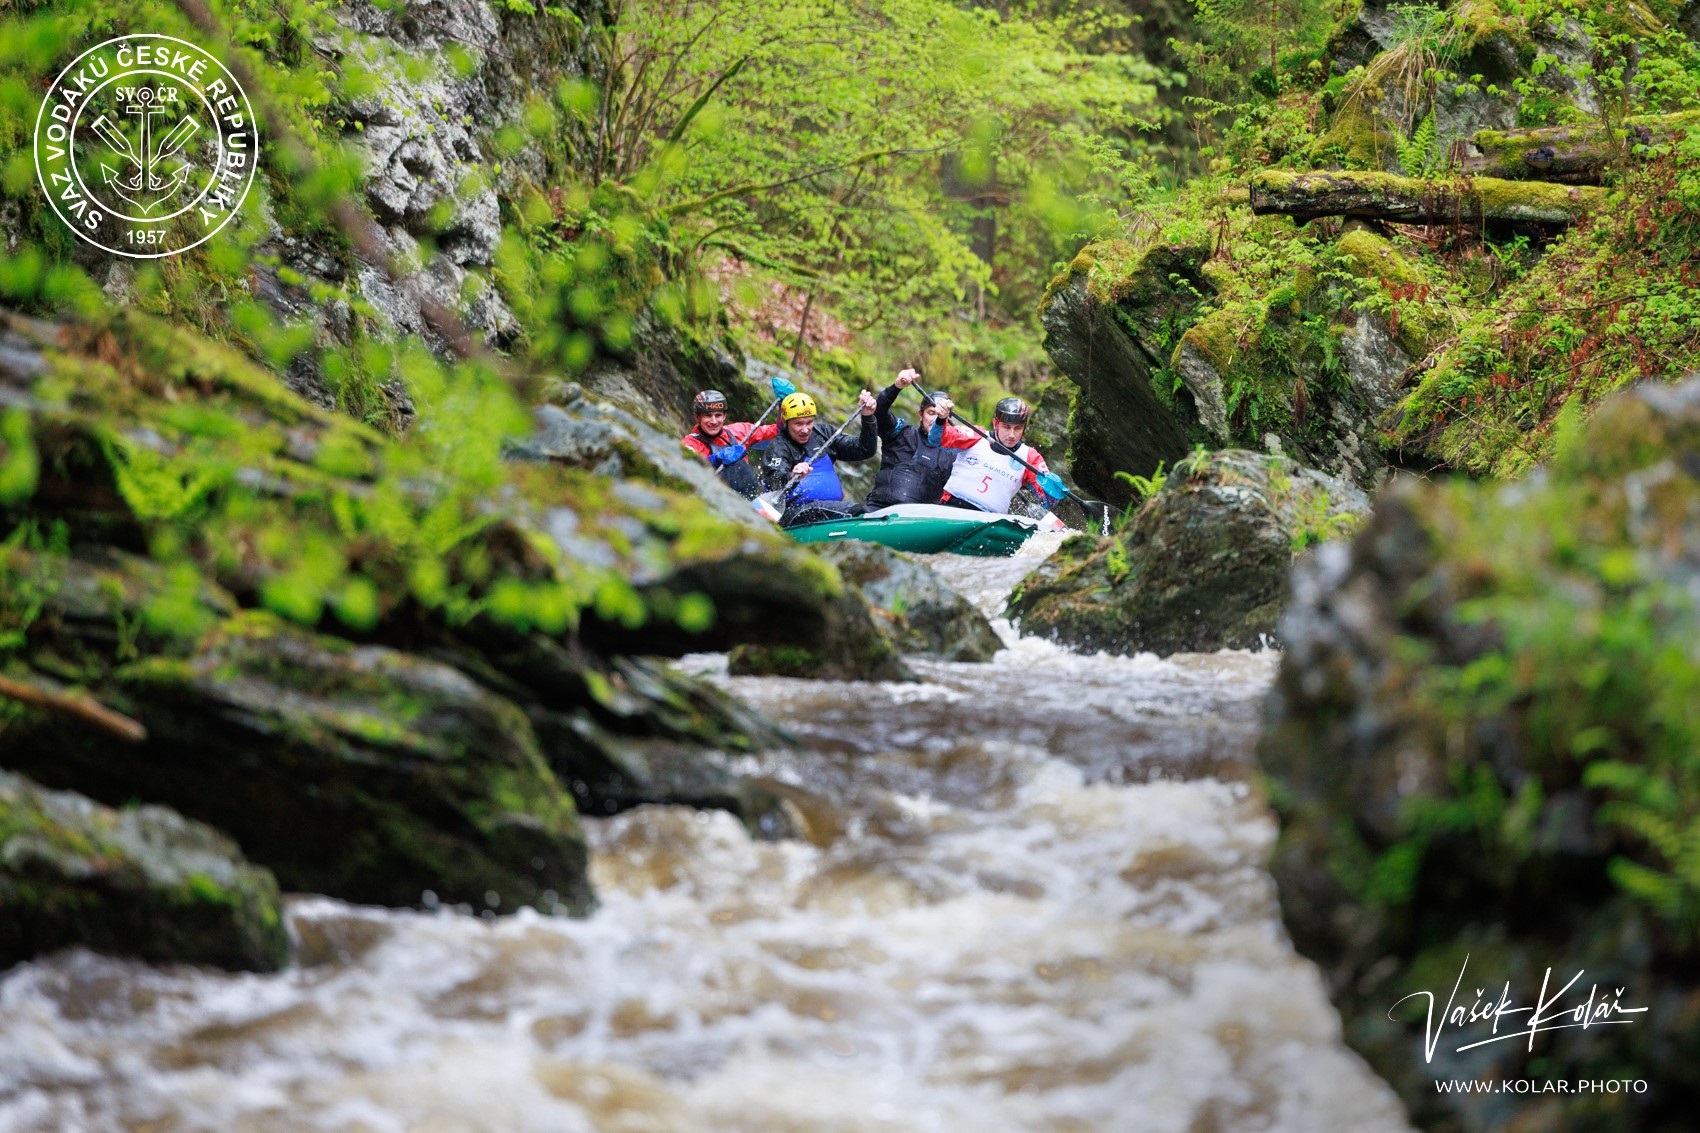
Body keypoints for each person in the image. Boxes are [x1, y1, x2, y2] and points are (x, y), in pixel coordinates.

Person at [758, 389, 879, 524]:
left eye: (809, 422)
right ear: (786, 422)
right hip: (794, 512)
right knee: (857, 510)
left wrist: (868, 417)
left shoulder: (824, 433)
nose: (805, 429)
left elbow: (864, 450)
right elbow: (773, 483)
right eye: (798, 424)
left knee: (856, 510)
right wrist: (792, 475)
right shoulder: (778, 447)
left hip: (828, 509)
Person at [865, 368, 980, 509]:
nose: (935, 419)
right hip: (879, 509)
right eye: (931, 413)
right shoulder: (901, 434)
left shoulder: (954, 456)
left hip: (920, 522)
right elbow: (877, 412)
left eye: (940, 415)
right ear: (920, 415)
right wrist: (897, 387)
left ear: (948, 419)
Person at [939, 396, 1062, 514]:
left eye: (1018, 428)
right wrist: (941, 420)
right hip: (953, 506)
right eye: (1006, 427)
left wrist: (1053, 490)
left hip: (990, 521)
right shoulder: (976, 435)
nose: (1012, 435)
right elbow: (937, 439)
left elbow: (1048, 502)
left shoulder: (1030, 457)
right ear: (995, 424)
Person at [680, 389, 778, 499]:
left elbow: (777, 431)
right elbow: (684, 470)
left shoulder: (739, 431)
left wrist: (785, 406)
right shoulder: (689, 444)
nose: (714, 421)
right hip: (715, 503)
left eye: (718, 415)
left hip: (751, 500)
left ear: (724, 416)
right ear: (697, 417)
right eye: (708, 415)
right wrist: (714, 460)